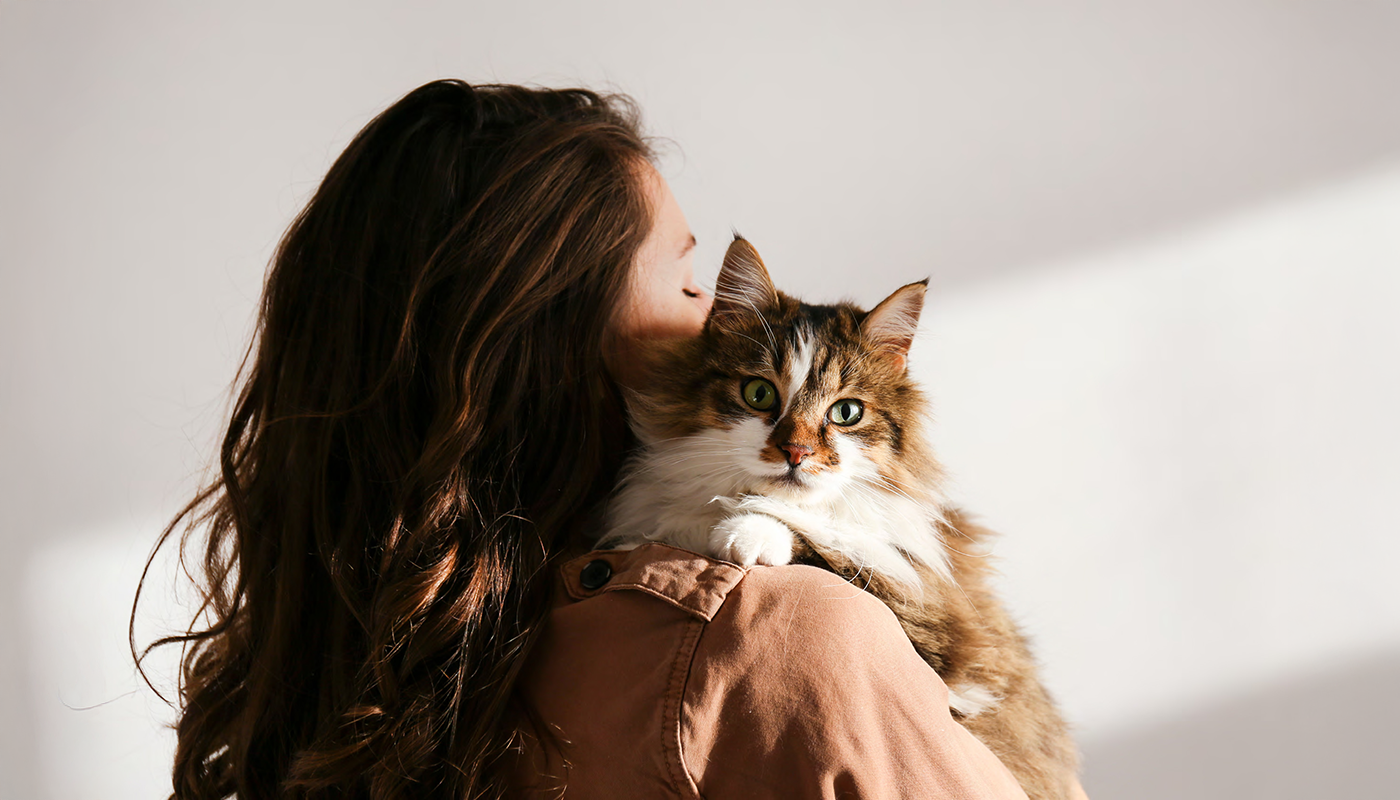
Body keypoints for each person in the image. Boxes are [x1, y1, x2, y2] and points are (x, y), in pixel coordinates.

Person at [134, 79, 1082, 799]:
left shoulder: (356, 661)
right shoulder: (777, 638)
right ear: (553, 331)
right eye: (689, 281)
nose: (711, 316)